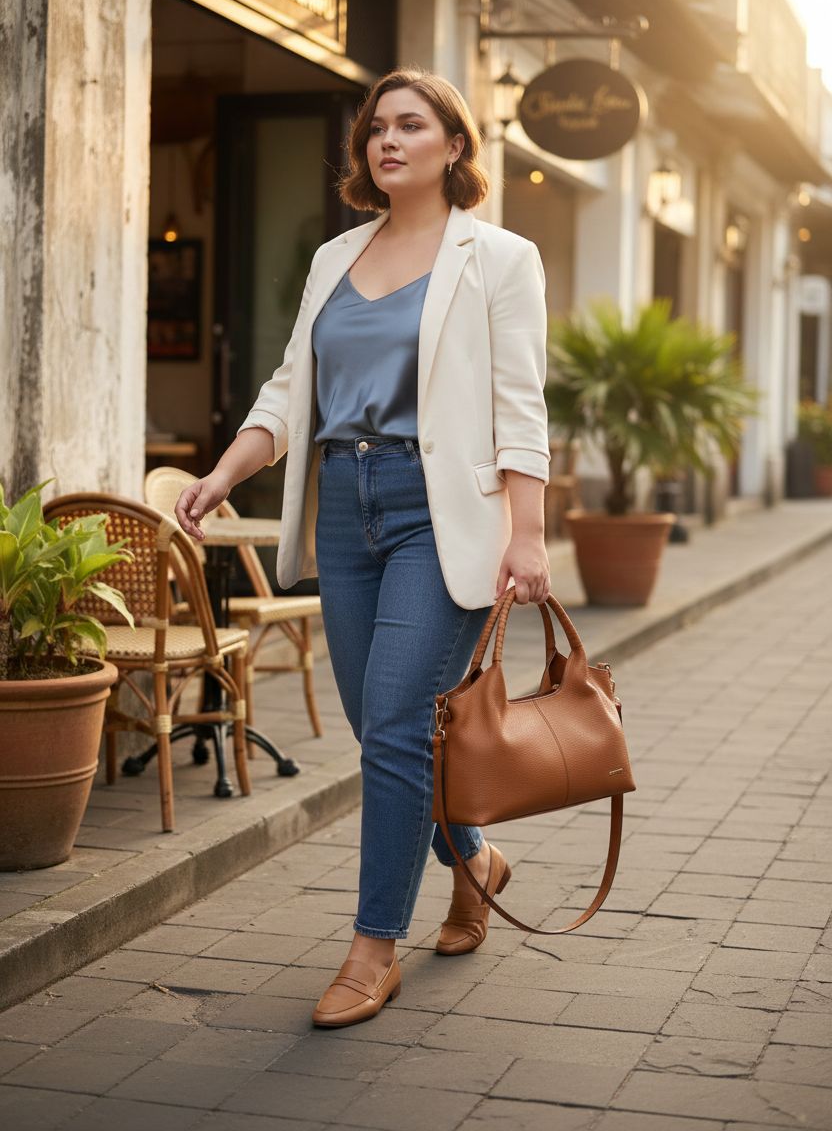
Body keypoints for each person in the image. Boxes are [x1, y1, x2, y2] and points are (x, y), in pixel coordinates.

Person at [174, 67, 551, 1029]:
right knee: (379, 725)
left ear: (454, 146)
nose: (387, 140)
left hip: (438, 510)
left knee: (392, 723)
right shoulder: (334, 257)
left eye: (411, 125)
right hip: (344, 506)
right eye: (376, 127)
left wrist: (529, 533)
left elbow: (520, 408)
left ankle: (370, 946)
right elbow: (288, 388)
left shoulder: (500, 259)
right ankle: (477, 861)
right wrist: (223, 474)